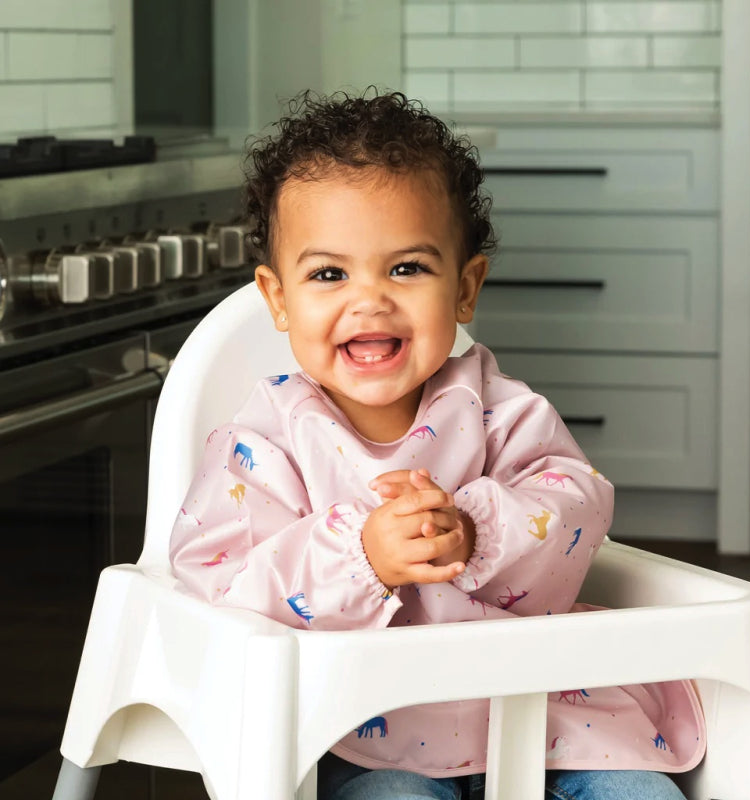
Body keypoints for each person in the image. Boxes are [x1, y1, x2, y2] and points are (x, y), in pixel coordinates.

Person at [169, 90, 704, 800]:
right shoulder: (263, 443)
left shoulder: (498, 411)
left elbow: (578, 507)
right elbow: (222, 593)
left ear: (465, 287)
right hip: (365, 731)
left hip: (545, 710)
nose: (370, 300)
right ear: (278, 298)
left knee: (638, 794)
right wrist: (361, 556)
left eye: (407, 268)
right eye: (330, 274)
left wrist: (478, 531)